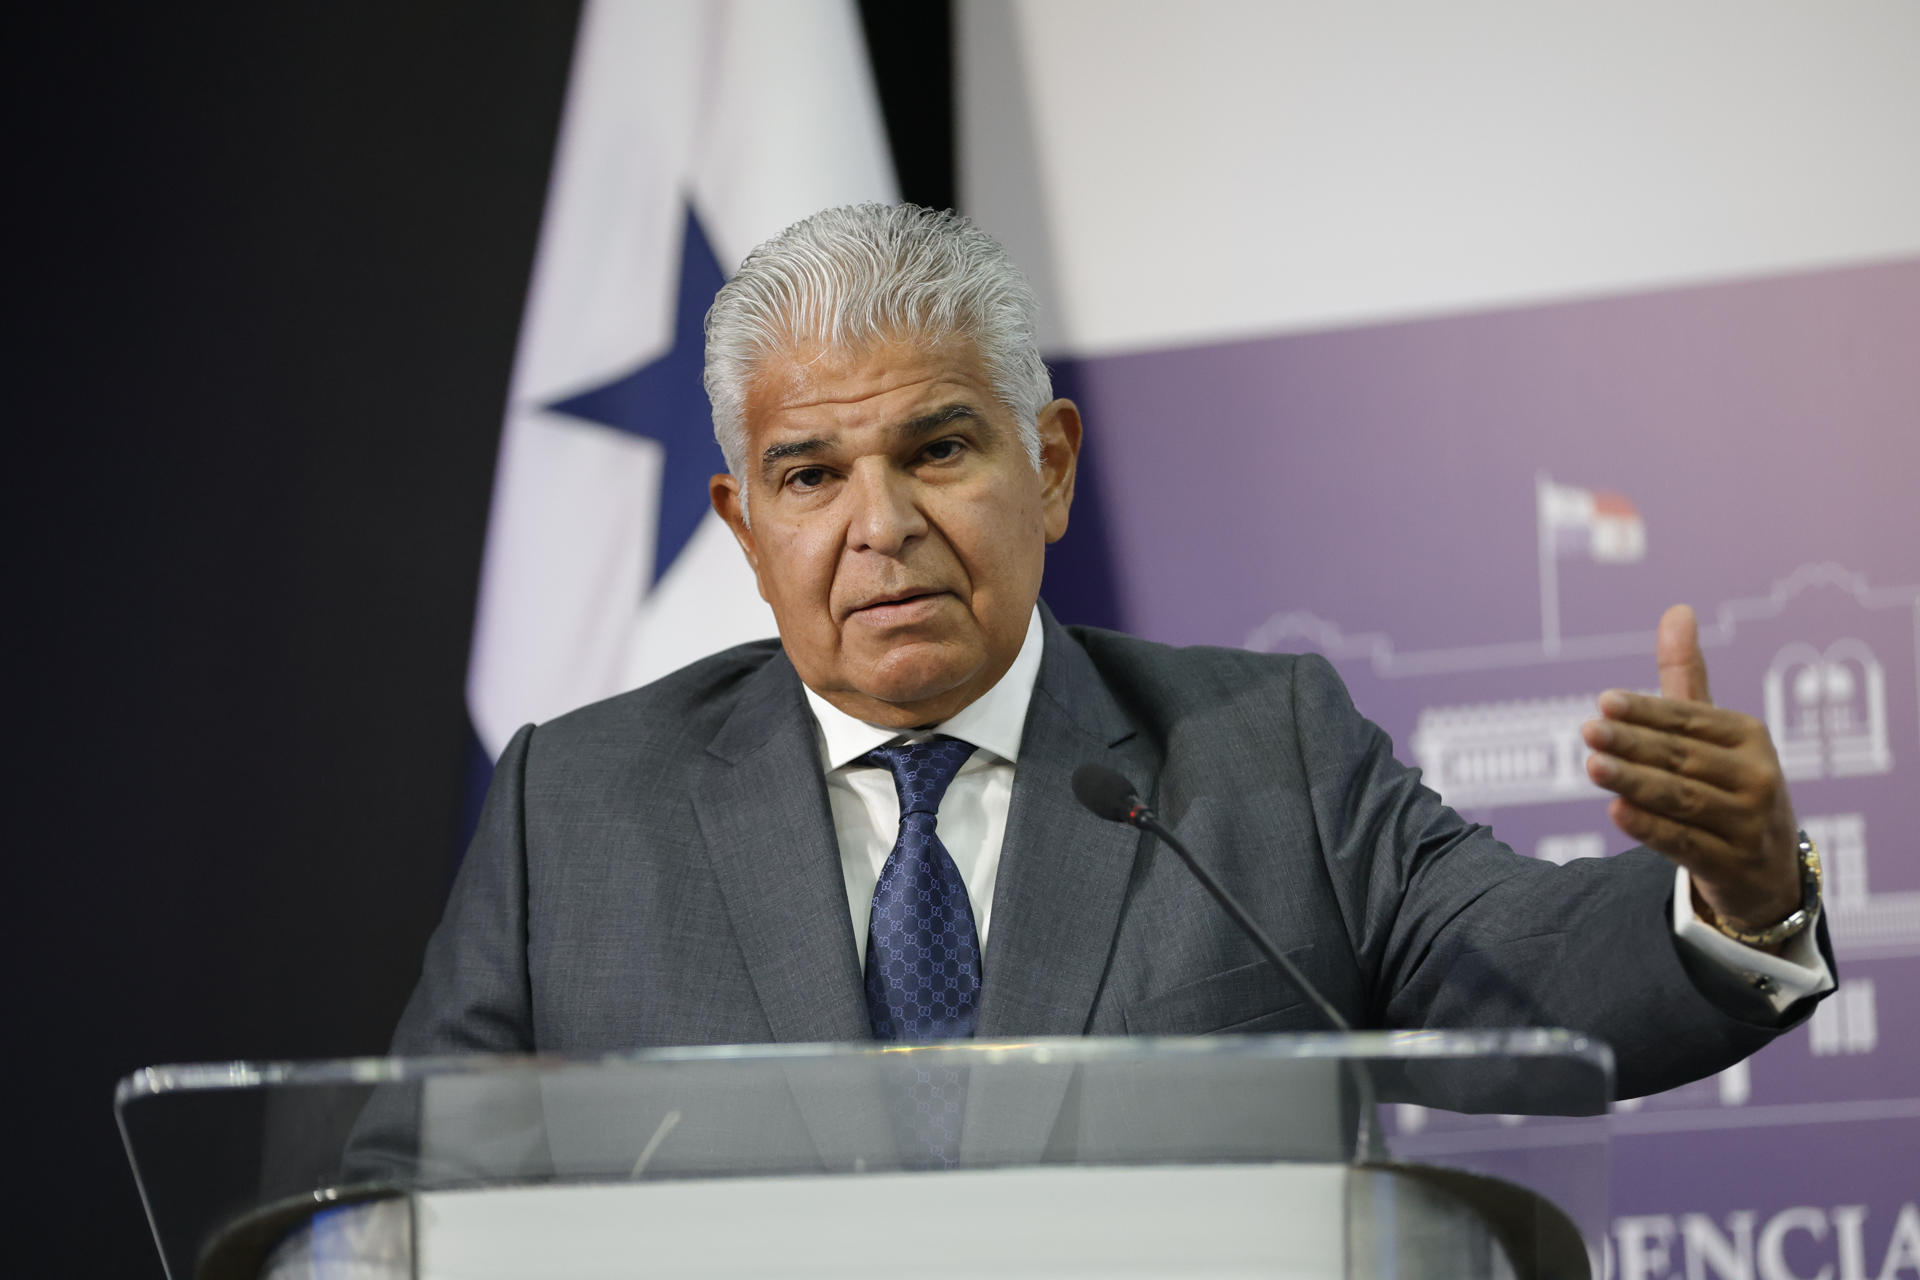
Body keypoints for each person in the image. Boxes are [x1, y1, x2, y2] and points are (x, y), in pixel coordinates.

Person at [386, 203, 1832, 1101]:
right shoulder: (570, 812)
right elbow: (411, 1203)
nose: (879, 526)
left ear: (1051, 464)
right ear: (744, 525)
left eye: (938, 447)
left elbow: (1527, 981)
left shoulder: (1263, 755)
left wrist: (1742, 891)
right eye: (811, 476)